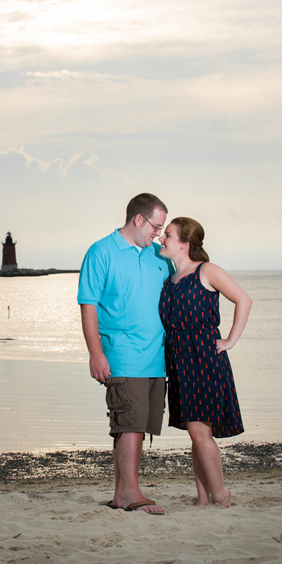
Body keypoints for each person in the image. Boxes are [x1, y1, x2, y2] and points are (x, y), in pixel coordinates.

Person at [78, 193, 173, 514]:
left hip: (157, 358)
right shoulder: (101, 252)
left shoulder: (159, 257)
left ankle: (121, 495)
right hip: (122, 354)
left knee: (134, 425)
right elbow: (88, 305)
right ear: (138, 219)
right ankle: (132, 494)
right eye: (155, 227)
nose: (158, 234)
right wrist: (96, 353)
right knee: (129, 423)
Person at [158, 217, 251, 508]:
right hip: (178, 359)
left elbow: (244, 300)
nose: (163, 239)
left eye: (169, 235)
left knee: (200, 432)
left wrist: (231, 340)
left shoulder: (207, 271)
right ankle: (202, 497)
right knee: (195, 433)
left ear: (185, 244)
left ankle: (220, 495)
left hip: (204, 358)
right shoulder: (170, 279)